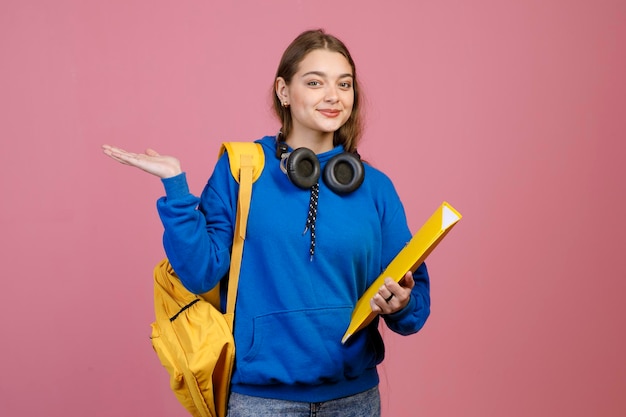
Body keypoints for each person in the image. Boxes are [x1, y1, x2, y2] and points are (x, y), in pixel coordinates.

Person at [102, 29, 430, 417]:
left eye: (344, 84)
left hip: (355, 400)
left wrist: (401, 303)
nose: (333, 96)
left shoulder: (375, 188)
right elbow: (200, 272)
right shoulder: (241, 170)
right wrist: (176, 189)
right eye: (314, 82)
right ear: (284, 91)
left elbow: (414, 303)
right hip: (262, 402)